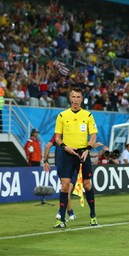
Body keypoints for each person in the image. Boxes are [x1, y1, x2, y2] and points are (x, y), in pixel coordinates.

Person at [46, 87, 98, 228]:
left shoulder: (88, 116)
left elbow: (93, 136)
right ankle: (61, 219)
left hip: (83, 153)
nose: (75, 100)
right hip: (67, 153)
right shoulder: (62, 116)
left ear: (82, 99)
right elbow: (57, 137)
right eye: (73, 97)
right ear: (70, 98)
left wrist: (88, 148)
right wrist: (64, 146)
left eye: (78, 97)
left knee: (87, 185)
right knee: (65, 185)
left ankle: (93, 216)